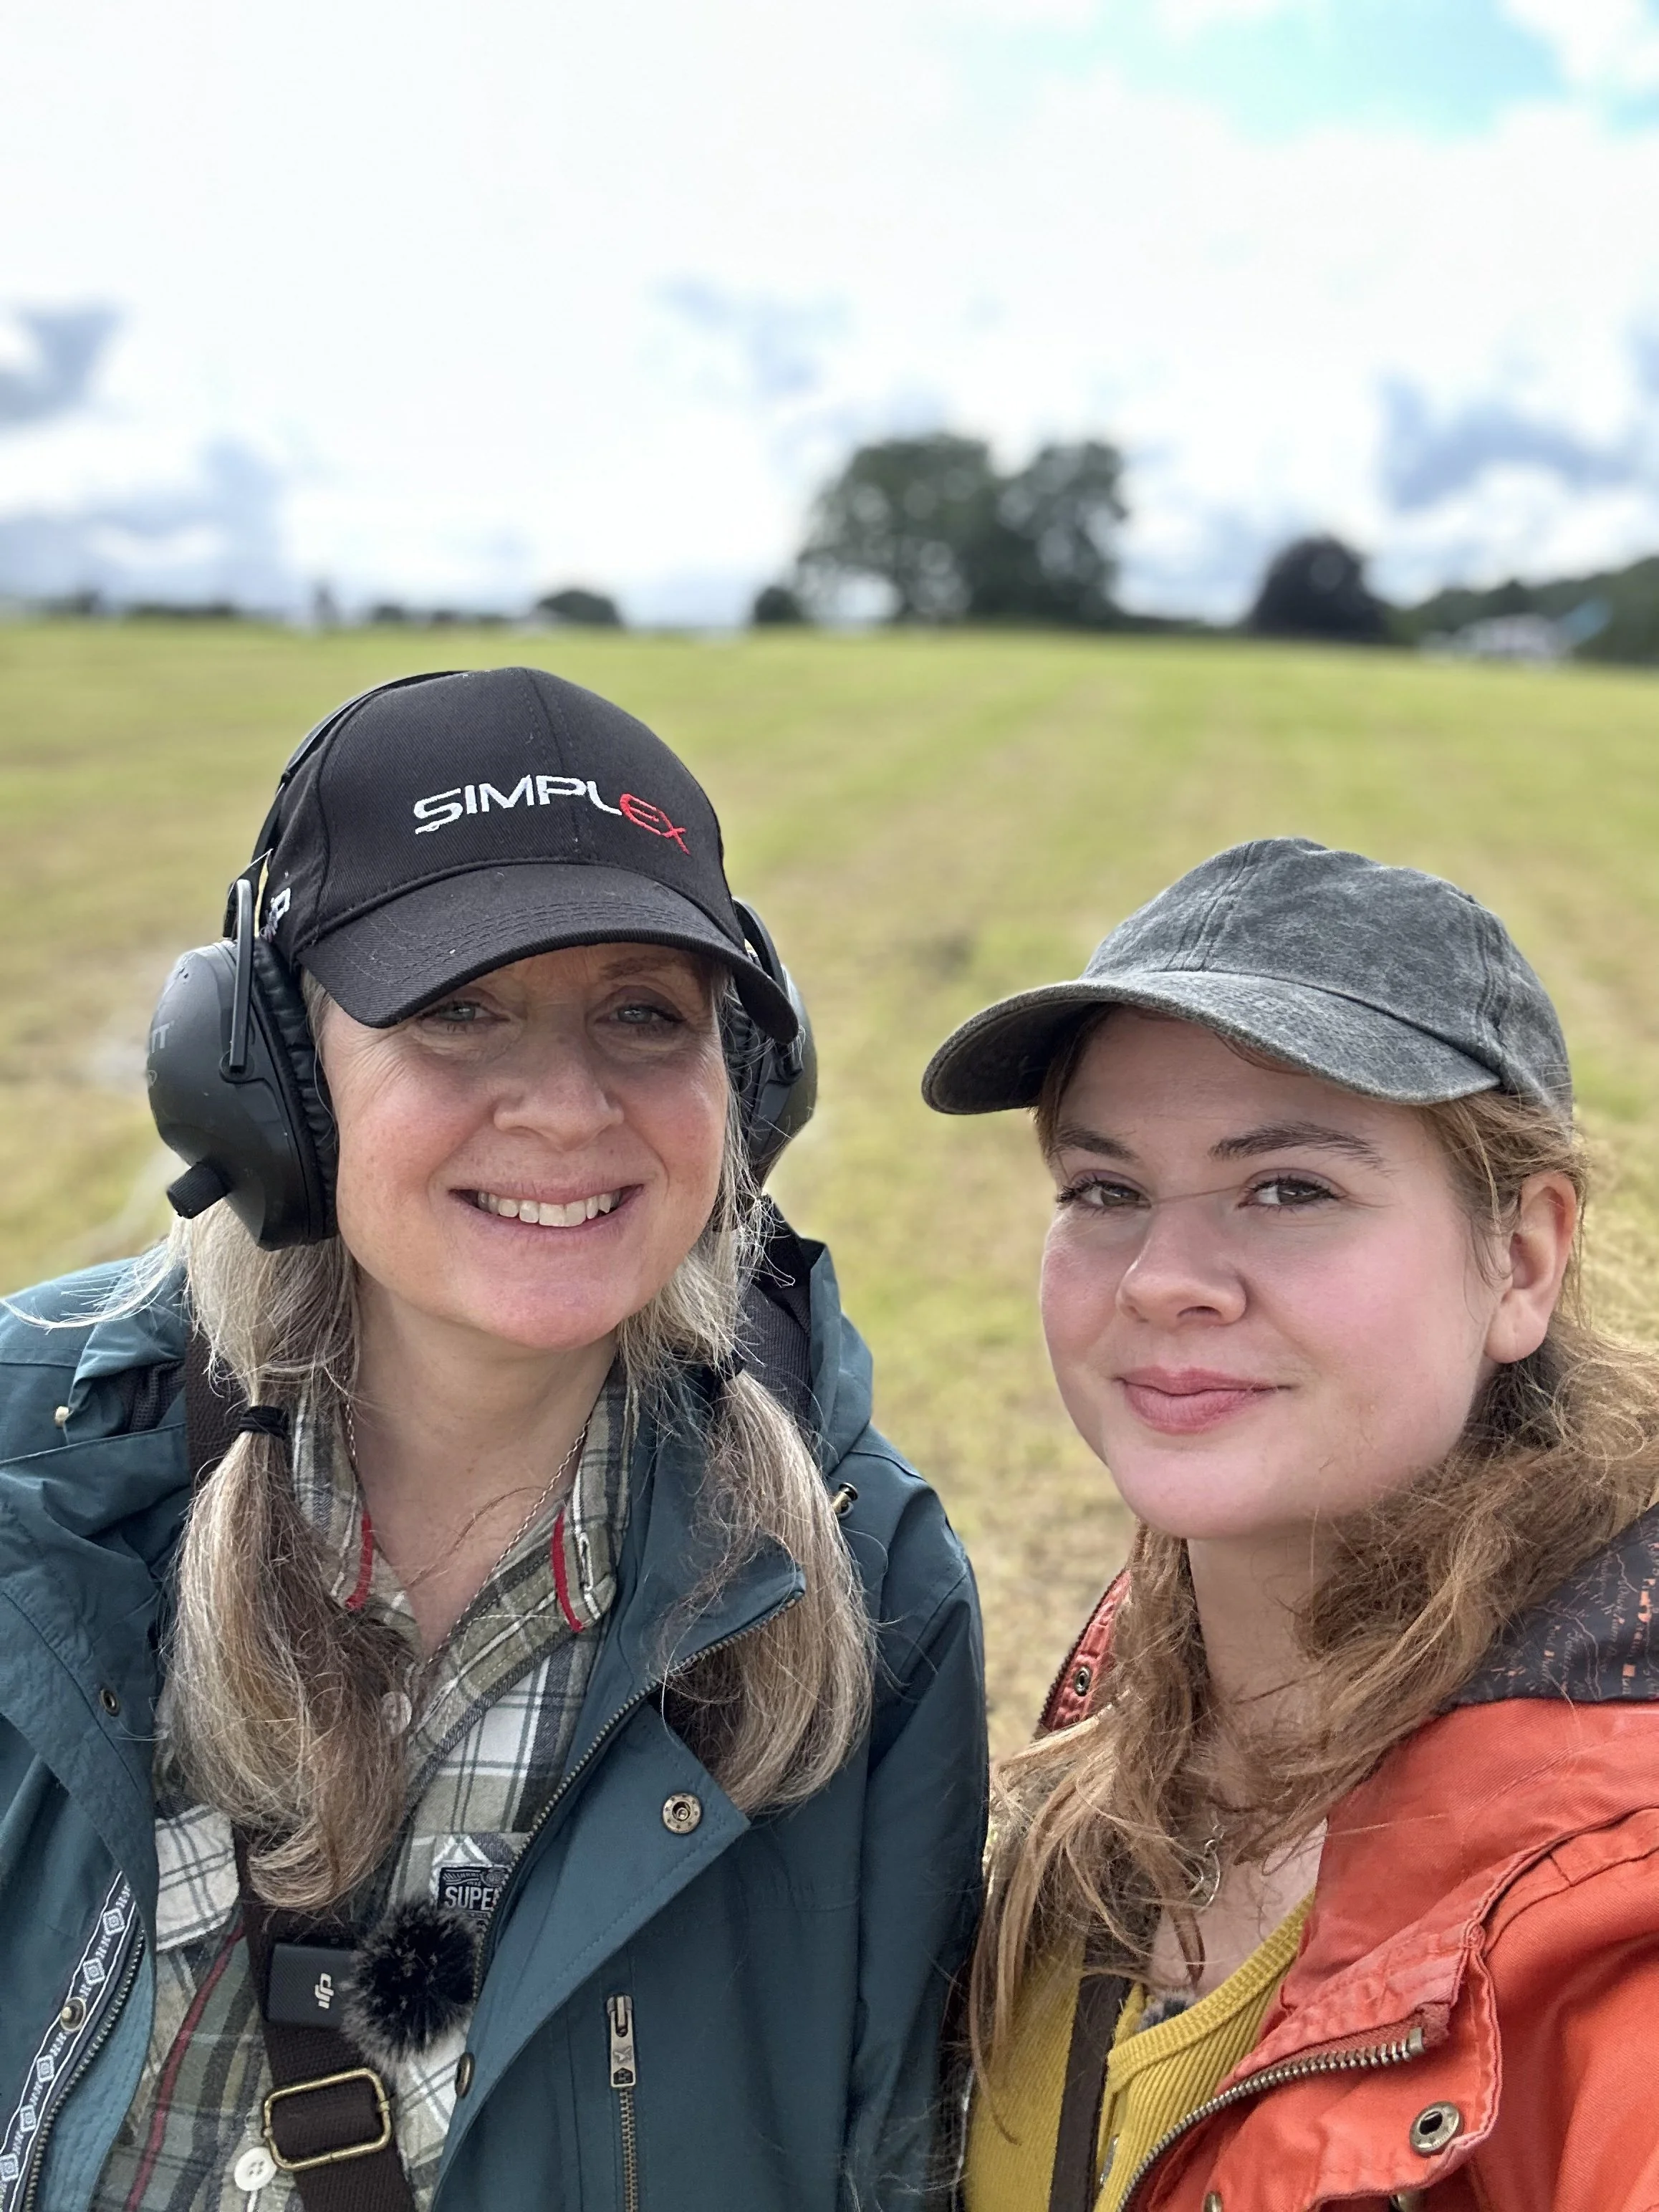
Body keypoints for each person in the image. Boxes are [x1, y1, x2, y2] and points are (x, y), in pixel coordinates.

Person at [0, 666, 986, 2212]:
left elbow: (889, 2153)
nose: (567, 1105)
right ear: (262, 1075)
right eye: (458, 1009)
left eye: (645, 1014)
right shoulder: (29, 1456)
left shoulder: (867, 1574)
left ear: (747, 1087)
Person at [922, 837, 1659, 2211]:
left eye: (1290, 1189)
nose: (1165, 1279)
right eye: (1106, 1190)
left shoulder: (1612, 1901)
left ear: (1522, 1257)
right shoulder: (1134, 1702)